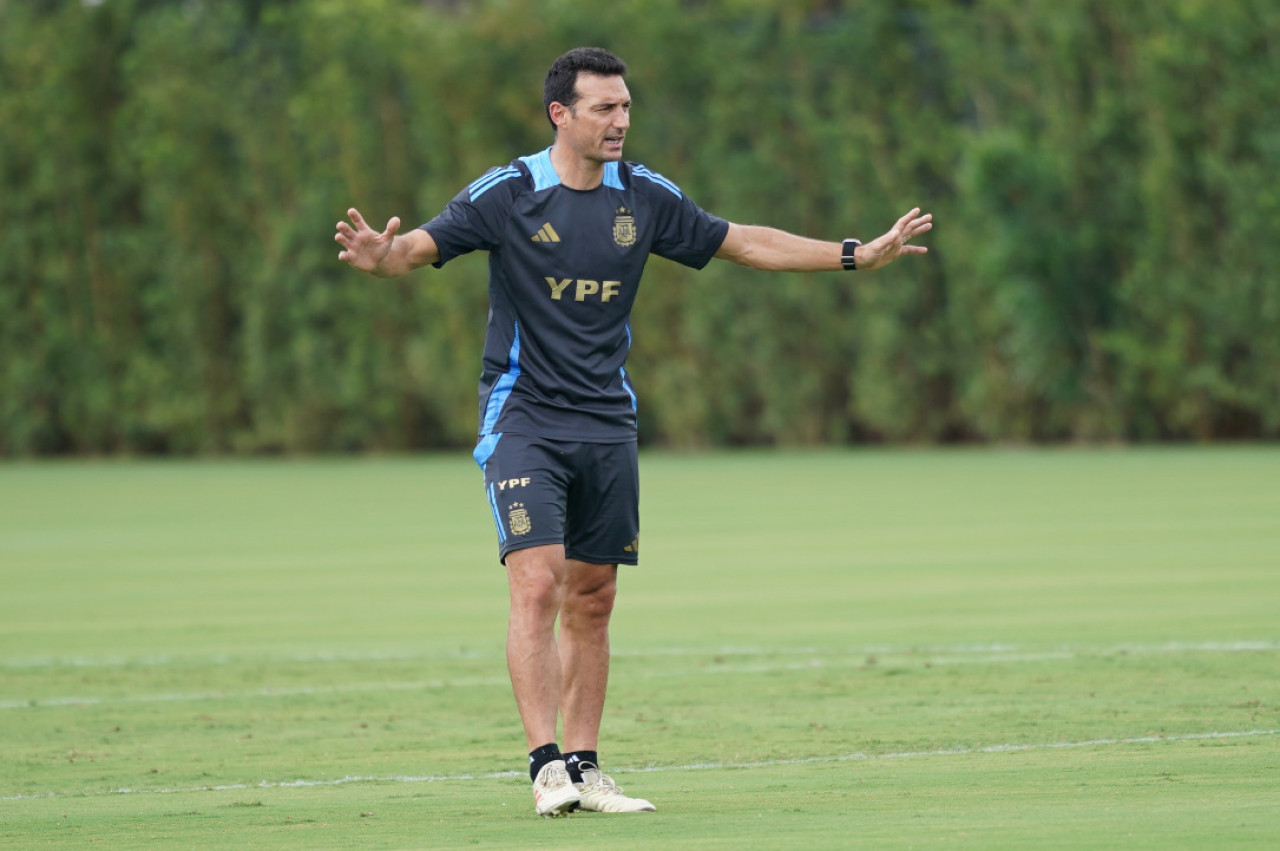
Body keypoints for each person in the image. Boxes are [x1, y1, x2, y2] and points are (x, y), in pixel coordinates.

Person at [335, 47, 931, 817]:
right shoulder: (511, 192)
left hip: (605, 419)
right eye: (604, 109)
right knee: (537, 579)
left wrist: (855, 254)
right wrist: (384, 260)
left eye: (625, 107)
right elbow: (418, 246)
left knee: (594, 594)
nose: (621, 121)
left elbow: (744, 240)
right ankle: (545, 768)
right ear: (561, 114)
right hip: (523, 417)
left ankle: (585, 767)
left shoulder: (643, 196)